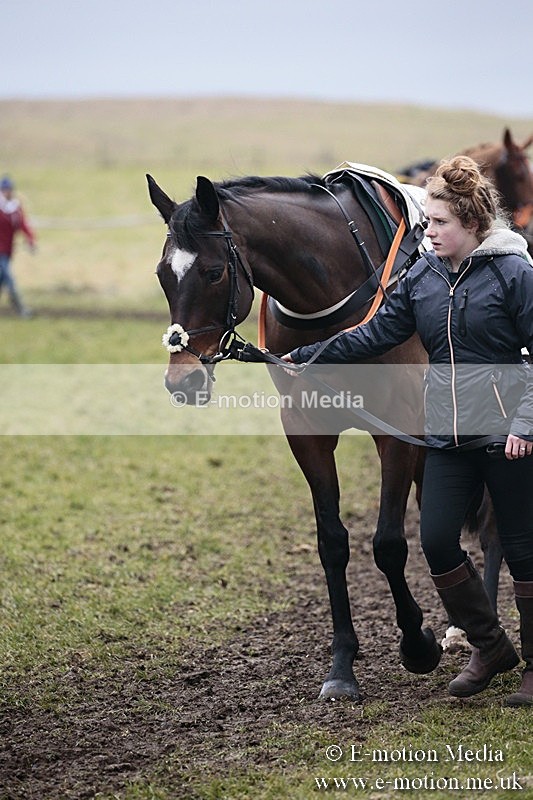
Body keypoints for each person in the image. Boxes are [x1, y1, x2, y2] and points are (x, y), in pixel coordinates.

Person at [282, 156, 533, 707]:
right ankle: (491, 649)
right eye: (428, 221)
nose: (429, 231)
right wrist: (304, 356)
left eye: (439, 222)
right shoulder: (421, 277)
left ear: (471, 223)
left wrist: (526, 423)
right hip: (446, 433)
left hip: (509, 435)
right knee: (438, 541)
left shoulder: (515, 273)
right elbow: (373, 335)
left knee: (522, 549)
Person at [0, 175, 36, 317]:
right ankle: (21, 310)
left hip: (8, 251)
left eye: (8, 189)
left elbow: (23, 225)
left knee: (2, 280)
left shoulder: (15, 208)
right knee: (10, 280)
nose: (7, 192)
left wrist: (30, 239)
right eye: (4, 190)